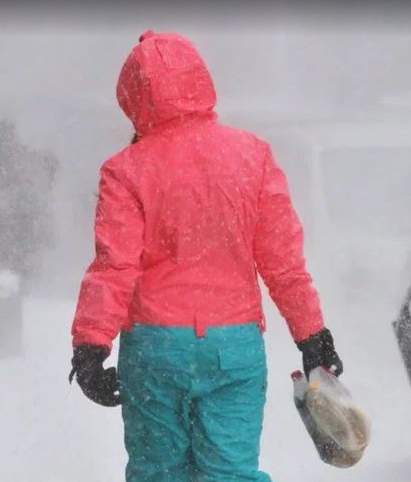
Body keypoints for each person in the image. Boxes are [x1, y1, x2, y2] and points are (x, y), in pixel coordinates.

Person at [69, 30, 343, 482]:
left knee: (159, 473)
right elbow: (282, 260)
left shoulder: (126, 169)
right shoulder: (252, 155)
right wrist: (311, 335)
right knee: (230, 472)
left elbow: (115, 266)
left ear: (134, 97)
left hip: (156, 350)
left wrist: (91, 347)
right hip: (233, 347)